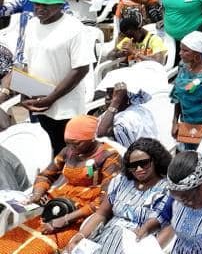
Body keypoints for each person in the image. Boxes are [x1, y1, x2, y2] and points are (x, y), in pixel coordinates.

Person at [0, 115, 123, 254]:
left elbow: (105, 201)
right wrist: (38, 193)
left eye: (76, 143)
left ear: (91, 138)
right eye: (67, 143)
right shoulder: (68, 152)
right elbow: (46, 175)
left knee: (38, 248)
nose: (71, 148)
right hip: (58, 205)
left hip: (83, 214)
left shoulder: (109, 156)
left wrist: (65, 220)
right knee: (13, 241)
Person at [14, 0, 96, 154]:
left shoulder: (74, 28)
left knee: (67, 152)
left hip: (65, 107)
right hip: (38, 103)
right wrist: (24, 93)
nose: (40, 8)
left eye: (46, 5)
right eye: (37, 4)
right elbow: (29, 61)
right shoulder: (32, 24)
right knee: (46, 149)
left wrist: (51, 98)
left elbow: (81, 69)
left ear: (59, 5)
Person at [63, 138, 172, 254]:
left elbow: (170, 227)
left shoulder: (167, 190)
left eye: (144, 163)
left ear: (155, 160)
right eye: (133, 165)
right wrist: (80, 236)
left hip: (137, 246)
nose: (139, 169)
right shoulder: (121, 181)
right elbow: (101, 214)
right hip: (104, 238)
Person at [96, 82, 157, 148]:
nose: (107, 97)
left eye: (113, 93)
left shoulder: (129, 117)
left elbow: (102, 133)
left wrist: (116, 101)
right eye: (107, 92)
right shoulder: (115, 112)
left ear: (126, 96)